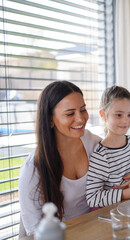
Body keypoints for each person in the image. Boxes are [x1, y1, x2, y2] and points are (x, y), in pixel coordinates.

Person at [19, 81, 102, 235]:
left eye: (83, 110)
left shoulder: (94, 144)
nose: (81, 119)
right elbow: (34, 231)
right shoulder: (33, 168)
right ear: (50, 119)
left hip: (95, 230)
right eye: (70, 113)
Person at [86, 86, 130, 208]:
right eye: (119, 115)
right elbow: (92, 198)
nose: (125, 121)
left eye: (129, 114)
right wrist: (124, 194)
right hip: (112, 217)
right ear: (103, 115)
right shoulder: (101, 155)